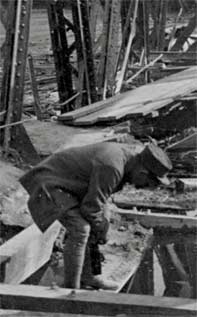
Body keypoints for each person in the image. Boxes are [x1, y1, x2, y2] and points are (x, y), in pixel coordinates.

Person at [20, 141, 172, 290]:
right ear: (142, 172)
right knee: (81, 229)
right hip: (49, 183)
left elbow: (100, 200)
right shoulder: (112, 167)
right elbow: (91, 208)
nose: (142, 187)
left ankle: (90, 276)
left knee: (95, 225)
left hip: (71, 187)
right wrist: (101, 229)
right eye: (146, 183)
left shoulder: (128, 161)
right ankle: (72, 290)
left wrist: (102, 226)